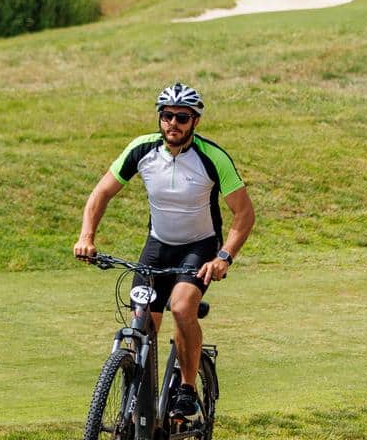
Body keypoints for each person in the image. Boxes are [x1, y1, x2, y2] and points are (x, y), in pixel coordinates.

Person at [73, 83, 255, 422]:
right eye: (167, 115)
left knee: (183, 307)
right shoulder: (141, 150)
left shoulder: (212, 158)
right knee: (142, 322)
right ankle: (137, 415)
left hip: (199, 247)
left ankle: (186, 389)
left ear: (195, 122)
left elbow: (244, 214)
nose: (173, 123)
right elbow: (100, 195)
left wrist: (223, 257)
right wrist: (87, 236)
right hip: (158, 247)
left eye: (182, 117)